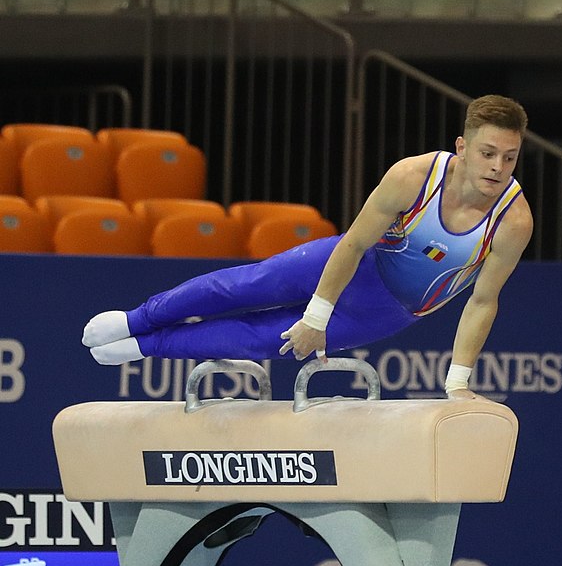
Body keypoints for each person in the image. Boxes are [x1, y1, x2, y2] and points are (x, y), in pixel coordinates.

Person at [83, 94, 533, 399]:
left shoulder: (512, 221)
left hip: (387, 311)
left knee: (262, 341)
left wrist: (457, 383)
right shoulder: (413, 178)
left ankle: (147, 346)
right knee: (245, 286)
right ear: (462, 146)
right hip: (353, 265)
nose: (497, 167)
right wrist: (315, 317)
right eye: (487, 153)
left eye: (509, 157)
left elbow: (481, 301)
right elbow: (355, 244)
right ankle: (136, 319)